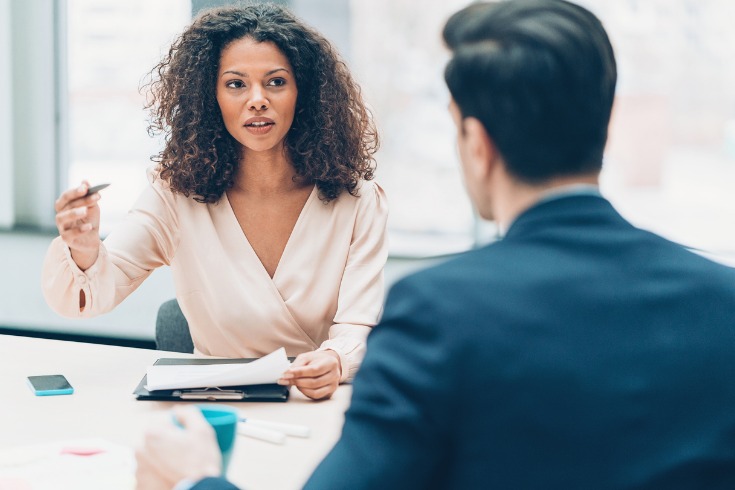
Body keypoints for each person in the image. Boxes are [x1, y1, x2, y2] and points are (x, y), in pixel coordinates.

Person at [135, 0, 735, 489]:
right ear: (604, 128)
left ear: (477, 143)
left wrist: (195, 482)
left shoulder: (438, 313)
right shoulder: (723, 301)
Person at [41, 3, 387, 400]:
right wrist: (84, 247)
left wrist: (335, 361)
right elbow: (93, 296)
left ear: (303, 93)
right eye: (236, 84)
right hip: (213, 401)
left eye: (275, 82)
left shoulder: (358, 200)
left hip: (317, 398)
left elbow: (358, 326)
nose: (257, 99)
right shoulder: (175, 194)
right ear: (211, 97)